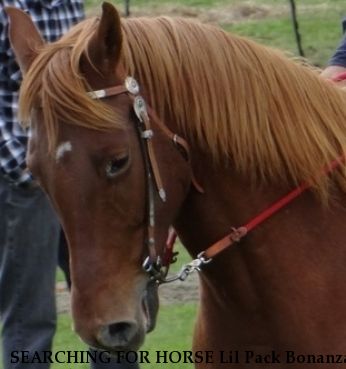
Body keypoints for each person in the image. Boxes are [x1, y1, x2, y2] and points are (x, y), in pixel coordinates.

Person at [1, 1, 138, 368]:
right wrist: (22, 163)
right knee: (31, 317)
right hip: (25, 182)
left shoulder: (69, 3)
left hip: (80, 177)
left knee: (108, 298)